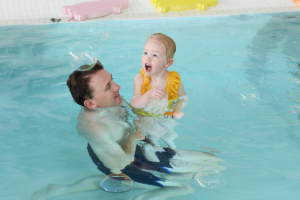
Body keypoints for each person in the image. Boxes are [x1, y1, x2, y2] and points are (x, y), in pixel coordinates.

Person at [31, 61, 226, 200]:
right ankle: (146, 196)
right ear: (90, 103)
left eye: (112, 80)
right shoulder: (95, 128)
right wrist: (137, 135)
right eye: (108, 87)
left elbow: (134, 115)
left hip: (133, 147)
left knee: (214, 161)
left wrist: (150, 119)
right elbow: (121, 162)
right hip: (121, 161)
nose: (117, 87)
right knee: (186, 187)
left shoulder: (111, 100)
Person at [130, 33, 189, 162]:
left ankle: (172, 148)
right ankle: (149, 146)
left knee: (170, 131)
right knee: (151, 131)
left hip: (165, 113)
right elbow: (134, 103)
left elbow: (183, 98)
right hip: (143, 114)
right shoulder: (140, 79)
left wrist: (177, 110)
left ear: (168, 63)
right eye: (145, 53)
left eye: (154, 55)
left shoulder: (174, 81)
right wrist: (148, 94)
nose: (147, 59)